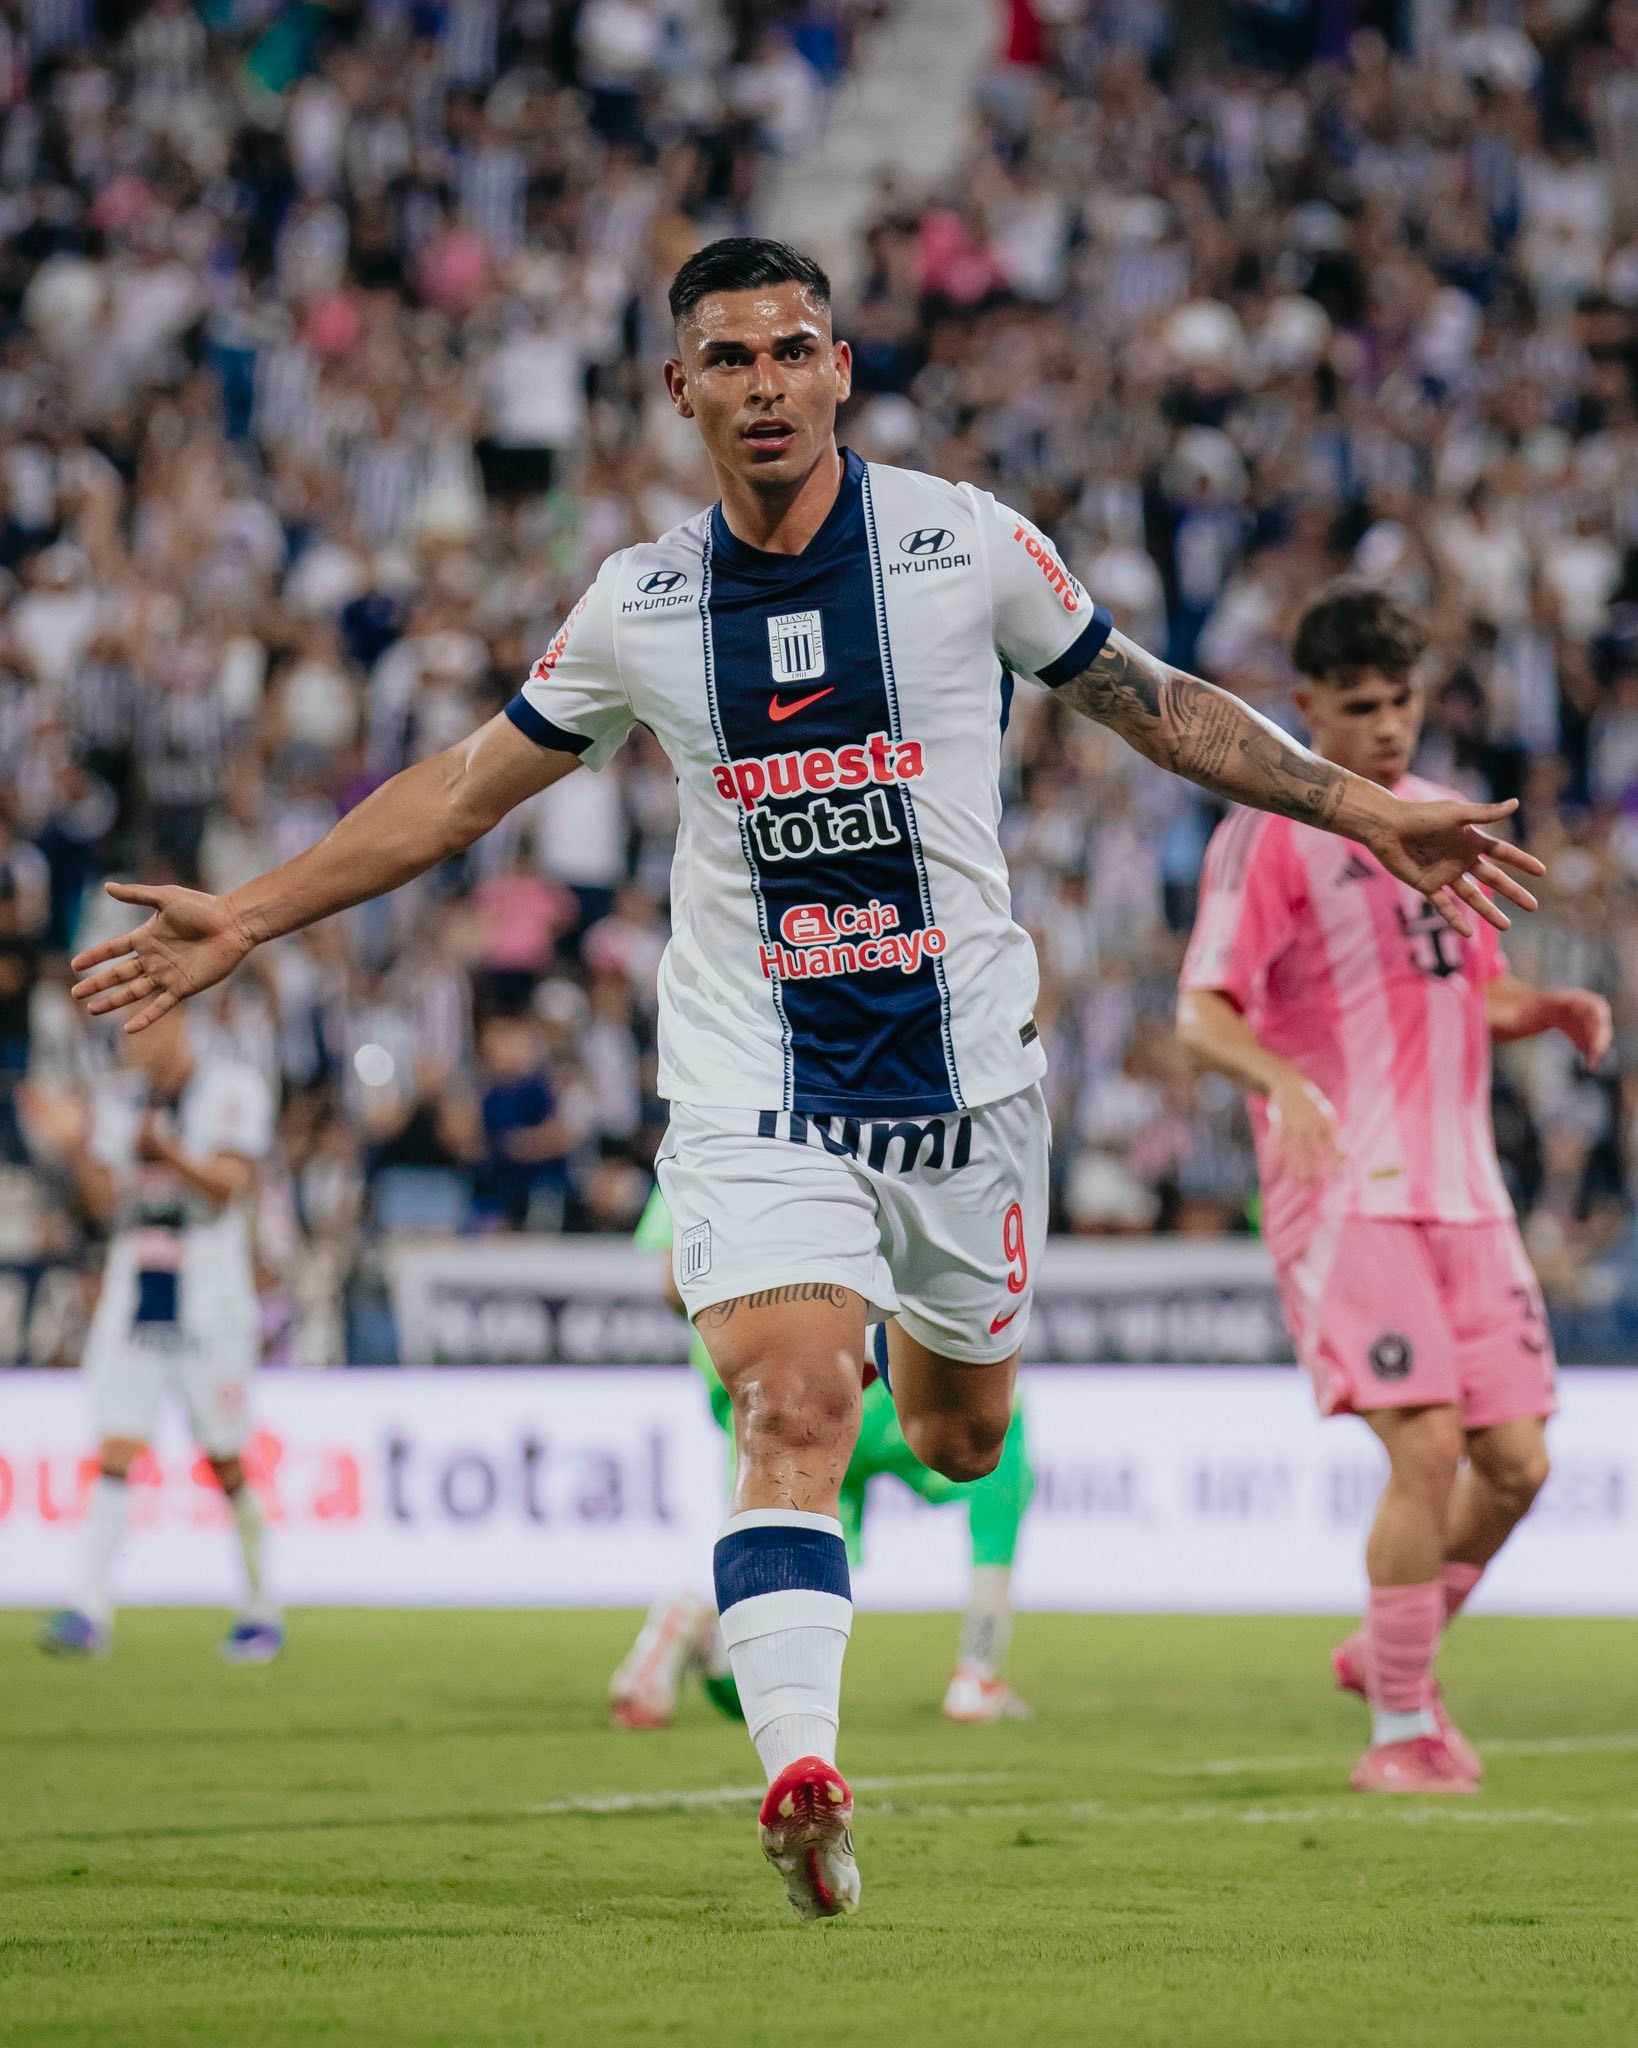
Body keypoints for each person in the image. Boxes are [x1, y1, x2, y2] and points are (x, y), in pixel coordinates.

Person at [68, 239, 1542, 1917]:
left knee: (959, 1437)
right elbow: (464, 788)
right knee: (794, 1405)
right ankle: (800, 1776)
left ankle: (863, 1526)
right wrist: (250, 913)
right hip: (752, 1080)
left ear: (839, 368)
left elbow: (1153, 704)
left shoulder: (959, 544)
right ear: (677, 390)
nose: (764, 384)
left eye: (791, 351)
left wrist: (1362, 809)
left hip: (966, 1088)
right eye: (729, 358)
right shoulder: (641, 605)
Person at [1177, 584, 1607, 1796]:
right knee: (1424, 1441)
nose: (1385, 726)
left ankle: (1389, 1645)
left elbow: (1467, 987)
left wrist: (1543, 1008)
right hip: (1344, 1188)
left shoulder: (1441, 817)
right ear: (1306, 705)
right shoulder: (1270, 829)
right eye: (1359, 705)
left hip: (1466, 1187)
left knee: (1517, 1463)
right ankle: (1402, 1728)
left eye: (1401, 702)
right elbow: (1201, 1012)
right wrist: (1284, 1082)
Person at [609, 1187, 1034, 1732]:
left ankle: (700, 1625)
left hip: (752, 1387)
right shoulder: (861, 1140)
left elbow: (675, 1284)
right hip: (862, 1369)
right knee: (1001, 1439)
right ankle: (978, 1671)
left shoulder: (696, 1143)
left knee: (784, 1619)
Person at [39, 1006, 282, 1662]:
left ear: (177, 1025)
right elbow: (104, 1204)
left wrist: (166, 1150)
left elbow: (229, 1187)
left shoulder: (233, 1088)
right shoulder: (116, 1100)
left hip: (210, 1301)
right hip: (136, 1293)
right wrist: (76, 1146)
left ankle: (261, 1607)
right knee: (115, 1447)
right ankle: (88, 1611)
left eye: (143, 1027)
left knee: (225, 1458)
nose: (131, 1040)